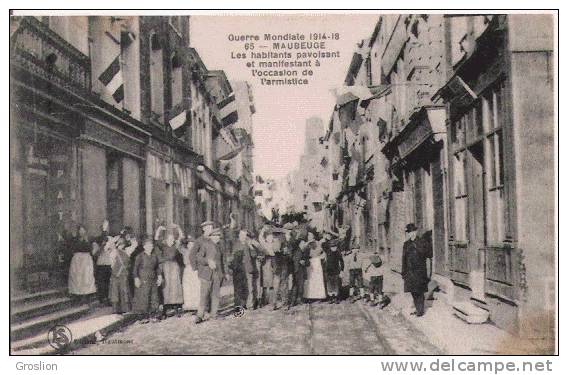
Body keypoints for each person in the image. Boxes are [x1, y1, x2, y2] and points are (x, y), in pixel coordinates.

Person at [195, 228, 227, 324]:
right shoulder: (205, 245)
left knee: (216, 294)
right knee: (204, 295)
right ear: (211, 237)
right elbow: (198, 257)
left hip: (218, 274)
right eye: (215, 236)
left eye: (218, 236)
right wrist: (208, 262)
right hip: (206, 274)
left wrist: (225, 273)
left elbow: (223, 260)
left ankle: (214, 314)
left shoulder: (220, 246)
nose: (217, 238)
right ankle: (200, 315)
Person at [401, 223, 430, 317]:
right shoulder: (406, 244)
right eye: (409, 232)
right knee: (413, 291)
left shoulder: (422, 242)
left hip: (419, 271)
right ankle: (418, 308)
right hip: (409, 271)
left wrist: (416, 245)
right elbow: (404, 258)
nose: (411, 234)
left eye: (413, 232)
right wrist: (403, 271)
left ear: (416, 232)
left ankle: (420, 311)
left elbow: (426, 254)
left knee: (419, 291)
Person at [132, 236, 162, 324]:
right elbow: (135, 269)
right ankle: (143, 317)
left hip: (153, 278)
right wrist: (136, 278)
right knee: (144, 297)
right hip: (143, 279)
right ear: (144, 246)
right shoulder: (140, 256)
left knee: (154, 297)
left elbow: (157, 268)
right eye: (148, 245)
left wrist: (160, 277)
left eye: (151, 245)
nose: (151, 247)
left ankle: (153, 315)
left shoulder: (154, 256)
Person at [157, 228, 184, 319]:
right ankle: (165, 310)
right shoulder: (163, 246)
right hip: (166, 267)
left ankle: (176, 308)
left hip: (174, 267)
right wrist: (159, 229)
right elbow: (156, 239)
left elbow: (181, 238)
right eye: (169, 239)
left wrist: (178, 228)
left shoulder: (175, 246)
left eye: (172, 239)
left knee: (175, 287)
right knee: (166, 288)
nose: (171, 240)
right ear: (166, 240)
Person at [68, 225, 96, 300]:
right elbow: (72, 247)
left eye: (83, 230)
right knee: (77, 276)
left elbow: (91, 249)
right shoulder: (75, 239)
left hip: (86, 260)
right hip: (77, 260)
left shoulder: (89, 239)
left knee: (86, 276)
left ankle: (86, 294)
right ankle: (77, 293)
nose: (81, 232)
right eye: (80, 230)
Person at [109, 236, 131, 314]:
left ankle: (120, 309)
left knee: (119, 292)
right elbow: (112, 263)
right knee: (120, 291)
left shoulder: (119, 252)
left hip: (119, 274)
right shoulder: (121, 252)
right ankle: (121, 309)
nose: (121, 245)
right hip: (120, 274)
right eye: (120, 244)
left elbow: (112, 263)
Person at [304, 232, 327, 301]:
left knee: (318, 278)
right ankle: (310, 296)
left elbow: (323, 252)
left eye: (311, 236)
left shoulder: (318, 243)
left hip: (317, 262)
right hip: (310, 262)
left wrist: (321, 257)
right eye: (308, 236)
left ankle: (319, 296)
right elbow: (305, 253)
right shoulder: (306, 244)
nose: (309, 237)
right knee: (311, 279)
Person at [289, 230, 309, 308]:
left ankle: (299, 299)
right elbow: (293, 259)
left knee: (301, 285)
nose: (304, 244)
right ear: (300, 243)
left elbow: (308, 262)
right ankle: (293, 300)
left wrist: (304, 262)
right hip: (296, 270)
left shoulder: (305, 251)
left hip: (302, 271)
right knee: (295, 285)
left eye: (304, 243)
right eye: (303, 243)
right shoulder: (295, 251)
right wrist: (299, 262)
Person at [229, 229, 250, 309]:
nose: (244, 237)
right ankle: (238, 305)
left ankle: (243, 304)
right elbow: (233, 257)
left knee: (245, 287)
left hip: (245, 268)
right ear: (239, 236)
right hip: (238, 268)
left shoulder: (247, 244)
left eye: (245, 235)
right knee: (238, 288)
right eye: (242, 235)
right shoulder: (236, 244)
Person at [179, 236, 200, 312]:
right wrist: (180, 231)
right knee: (187, 287)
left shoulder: (197, 252)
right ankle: (189, 305)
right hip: (187, 269)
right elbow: (179, 244)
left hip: (195, 270)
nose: (191, 245)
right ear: (187, 245)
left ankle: (196, 305)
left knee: (195, 287)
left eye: (192, 244)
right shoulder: (184, 251)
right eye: (189, 244)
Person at [324, 239, 344, 304]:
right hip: (328, 271)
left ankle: (336, 297)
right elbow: (323, 245)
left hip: (336, 271)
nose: (334, 248)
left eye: (335, 246)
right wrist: (326, 238)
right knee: (329, 284)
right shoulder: (327, 252)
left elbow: (342, 261)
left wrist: (342, 270)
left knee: (336, 284)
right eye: (332, 247)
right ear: (330, 247)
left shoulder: (338, 252)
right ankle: (330, 297)